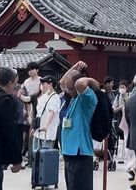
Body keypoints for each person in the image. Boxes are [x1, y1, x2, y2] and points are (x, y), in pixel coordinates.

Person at [58, 60, 99, 190]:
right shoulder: (73, 98)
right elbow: (62, 83)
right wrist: (74, 68)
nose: (67, 90)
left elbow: (80, 83)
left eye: (71, 88)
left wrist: (87, 78)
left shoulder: (87, 98)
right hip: (69, 152)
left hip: (80, 152)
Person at [32, 75, 61, 150]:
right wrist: (34, 127)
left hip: (47, 132)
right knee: (35, 155)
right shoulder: (43, 96)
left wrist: (46, 126)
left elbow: (52, 112)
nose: (42, 86)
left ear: (50, 85)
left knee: (45, 156)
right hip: (38, 131)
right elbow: (39, 113)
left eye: (44, 84)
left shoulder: (55, 97)